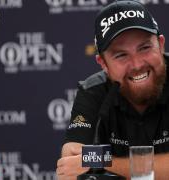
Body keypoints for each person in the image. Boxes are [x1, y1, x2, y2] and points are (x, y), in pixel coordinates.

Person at [56, 0, 169, 179]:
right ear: (103, 64)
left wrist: (102, 161)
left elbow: (84, 161)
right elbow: (72, 160)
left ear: (161, 45)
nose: (137, 64)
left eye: (145, 47)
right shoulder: (93, 91)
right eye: (121, 55)